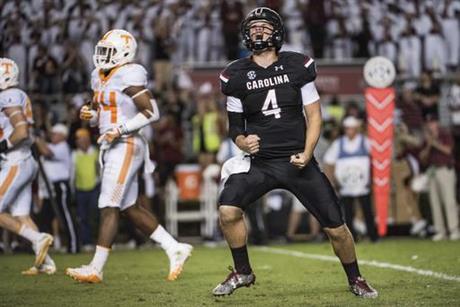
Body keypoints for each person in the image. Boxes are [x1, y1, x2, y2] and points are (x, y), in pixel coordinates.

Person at [213, 8, 377, 298]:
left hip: (296, 161)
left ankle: (356, 278)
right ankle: (243, 271)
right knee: (227, 210)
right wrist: (242, 142)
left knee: (337, 228)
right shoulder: (235, 74)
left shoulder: (296, 65)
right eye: (252, 28)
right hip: (260, 162)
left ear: (276, 32)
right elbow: (234, 128)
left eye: (263, 27)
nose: (257, 32)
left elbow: (314, 116)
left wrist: (307, 151)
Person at [65, 29, 192, 283]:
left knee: (108, 204)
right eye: (101, 50)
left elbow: (152, 111)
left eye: (108, 51)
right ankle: (174, 247)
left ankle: (96, 268)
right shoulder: (97, 75)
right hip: (113, 144)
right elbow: (100, 111)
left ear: (124, 53)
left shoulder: (130, 73)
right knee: (128, 208)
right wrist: (90, 116)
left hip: (127, 142)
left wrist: (120, 129)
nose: (102, 56)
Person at [0, 57, 55, 274]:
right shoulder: (15, 95)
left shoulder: (8, 96)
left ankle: (38, 238)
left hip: (16, 161)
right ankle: (46, 263)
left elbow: (21, 131)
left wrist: (2, 146)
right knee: (22, 216)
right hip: (24, 160)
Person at [323, 116, 378, 242]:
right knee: (348, 213)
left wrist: (373, 179)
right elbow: (328, 161)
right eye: (347, 129)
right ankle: (352, 237)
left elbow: (376, 160)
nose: (349, 131)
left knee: (368, 210)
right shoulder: (339, 143)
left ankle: (373, 236)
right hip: (345, 186)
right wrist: (331, 182)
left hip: (363, 184)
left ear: (356, 129)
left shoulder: (365, 142)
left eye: (352, 129)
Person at [36, 123, 79, 254]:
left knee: (66, 216)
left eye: (55, 134)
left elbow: (46, 152)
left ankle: (74, 246)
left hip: (60, 185)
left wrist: (37, 139)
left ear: (62, 135)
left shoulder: (62, 147)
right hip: (50, 188)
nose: (53, 136)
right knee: (44, 218)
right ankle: (40, 248)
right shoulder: (54, 145)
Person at [420, 114, 459, 241]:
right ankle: (440, 230)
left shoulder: (445, 134)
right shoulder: (427, 138)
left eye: (432, 122)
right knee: (435, 202)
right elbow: (423, 157)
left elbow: (448, 150)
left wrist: (434, 143)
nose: (430, 125)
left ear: (437, 123)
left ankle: (454, 230)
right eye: (428, 123)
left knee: (449, 201)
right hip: (433, 171)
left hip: (445, 170)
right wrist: (429, 145)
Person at [71, 128, 100, 251]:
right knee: (83, 218)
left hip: (95, 187)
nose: (81, 142)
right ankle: (87, 242)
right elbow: (72, 174)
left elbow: (100, 168)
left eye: (83, 139)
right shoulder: (74, 154)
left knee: (96, 215)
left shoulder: (95, 152)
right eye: (79, 139)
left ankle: (101, 241)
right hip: (80, 190)